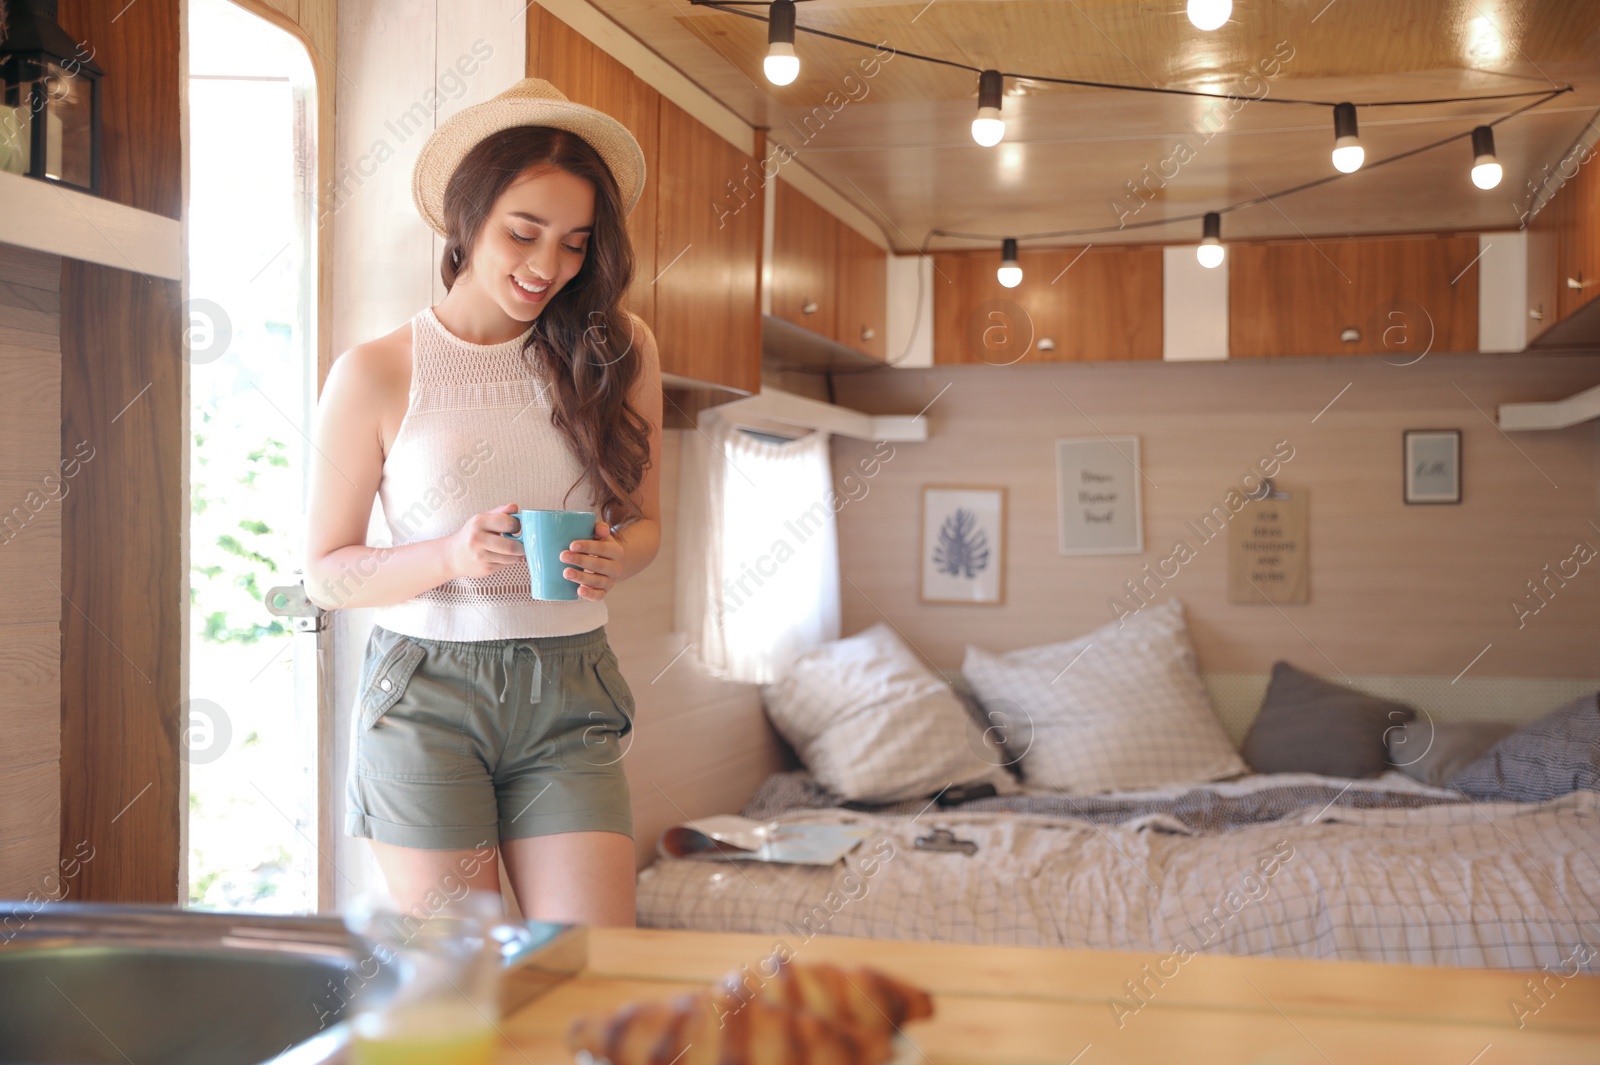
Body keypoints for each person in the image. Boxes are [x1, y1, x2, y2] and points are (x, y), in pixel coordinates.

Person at [304, 78, 661, 926]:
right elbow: (325, 574)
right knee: (471, 981)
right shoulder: (378, 371)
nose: (548, 267)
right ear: (466, 221)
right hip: (426, 694)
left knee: (588, 964)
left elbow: (646, 525)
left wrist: (620, 553)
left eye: (575, 243)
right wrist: (448, 558)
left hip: (571, 686)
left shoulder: (619, 347)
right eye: (523, 233)